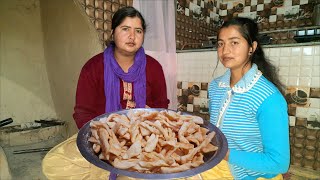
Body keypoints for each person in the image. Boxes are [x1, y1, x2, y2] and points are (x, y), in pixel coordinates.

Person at [42, 6, 169, 179]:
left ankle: (125, 168)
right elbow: (82, 113)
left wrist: (148, 121)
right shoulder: (93, 68)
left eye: (138, 31)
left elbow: (162, 108)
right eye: (125, 29)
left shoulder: (154, 68)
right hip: (101, 137)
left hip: (143, 138)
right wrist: (104, 139)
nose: (132, 36)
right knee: (54, 163)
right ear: (113, 32)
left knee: (167, 166)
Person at [203, 17, 290, 179]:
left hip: (251, 175)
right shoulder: (215, 87)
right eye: (221, 43)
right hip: (217, 165)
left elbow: (279, 163)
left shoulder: (269, 98)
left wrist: (225, 153)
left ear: (252, 47)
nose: (225, 50)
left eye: (234, 42)